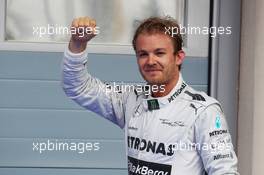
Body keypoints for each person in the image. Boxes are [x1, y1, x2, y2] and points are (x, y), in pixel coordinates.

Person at [62, 16, 239, 175]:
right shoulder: (130, 99)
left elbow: (225, 172)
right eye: (143, 54)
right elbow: (78, 87)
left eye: (159, 53)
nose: (151, 61)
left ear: (178, 57)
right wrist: (78, 44)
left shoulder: (204, 111)